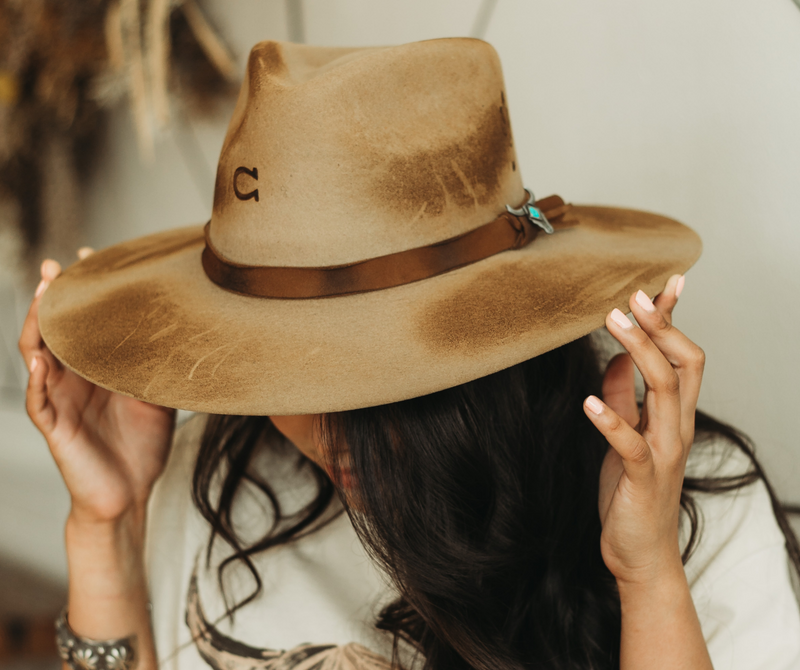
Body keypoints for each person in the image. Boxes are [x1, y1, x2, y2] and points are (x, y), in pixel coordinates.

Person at [19, 38, 800, 670]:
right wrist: (107, 532)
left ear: (500, 339)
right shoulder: (216, 478)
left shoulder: (695, 513)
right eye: (283, 359)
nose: (329, 425)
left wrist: (648, 577)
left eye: (378, 370)